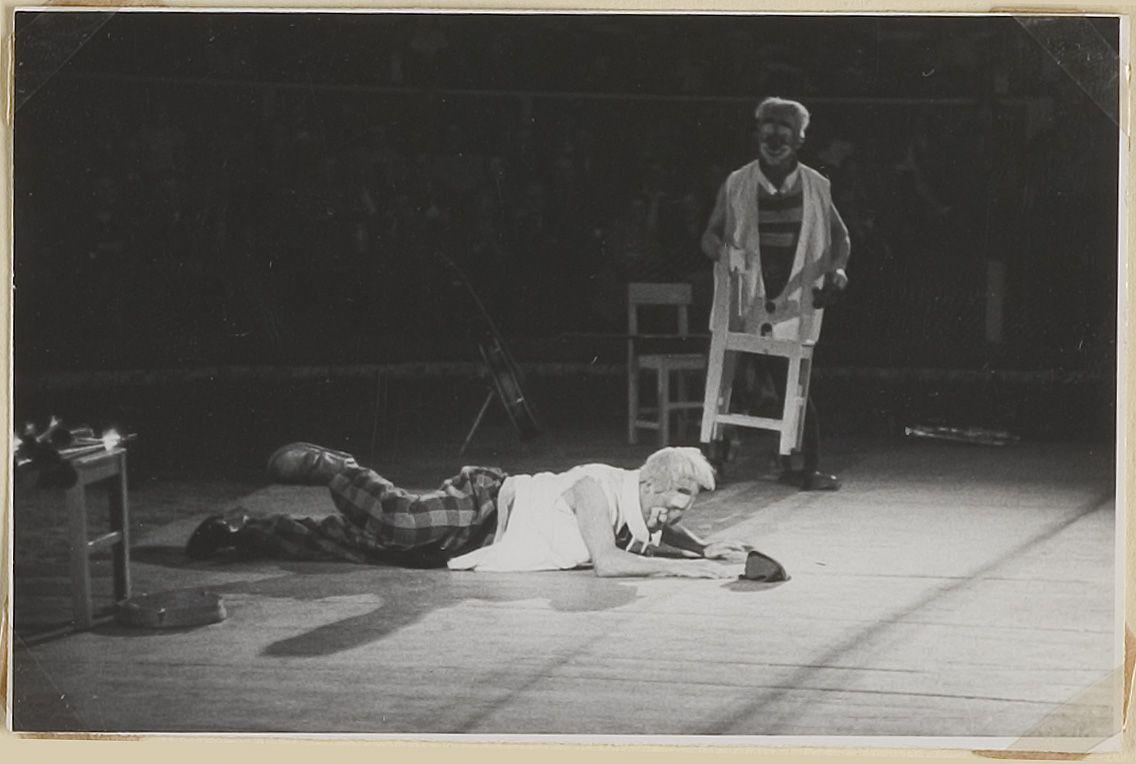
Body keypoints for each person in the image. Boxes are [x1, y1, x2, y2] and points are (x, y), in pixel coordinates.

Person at [185, 443, 751, 578]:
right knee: (401, 520)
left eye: (684, 507)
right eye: (671, 501)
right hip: (481, 506)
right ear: (647, 482)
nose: (672, 515)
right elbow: (608, 560)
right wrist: (696, 571)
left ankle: (243, 531)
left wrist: (703, 546)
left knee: (350, 544)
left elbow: (656, 531)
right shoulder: (598, 490)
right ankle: (336, 467)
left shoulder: (640, 508)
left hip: (477, 547)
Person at [700, 97, 851, 491]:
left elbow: (841, 238)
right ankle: (712, 465)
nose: (774, 140)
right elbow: (710, 234)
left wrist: (837, 270)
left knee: (794, 387)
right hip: (744, 300)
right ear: (757, 135)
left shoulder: (817, 186)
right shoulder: (738, 182)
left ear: (799, 139)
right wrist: (721, 251)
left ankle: (802, 468)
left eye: (784, 133)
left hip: (792, 305)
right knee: (727, 384)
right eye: (768, 132)